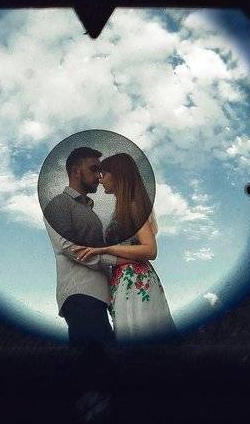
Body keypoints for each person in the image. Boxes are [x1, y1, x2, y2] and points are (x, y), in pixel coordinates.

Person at [75, 152, 176, 342]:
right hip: (123, 281)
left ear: (118, 176)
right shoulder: (122, 209)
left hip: (136, 281)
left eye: (104, 174)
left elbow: (150, 249)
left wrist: (106, 249)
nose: (100, 180)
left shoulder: (133, 206)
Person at [41, 146, 119, 349]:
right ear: (76, 172)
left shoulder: (89, 211)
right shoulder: (58, 204)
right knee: (95, 359)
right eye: (94, 169)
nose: (98, 176)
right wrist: (117, 259)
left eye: (100, 171)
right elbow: (68, 247)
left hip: (98, 296)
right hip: (80, 294)